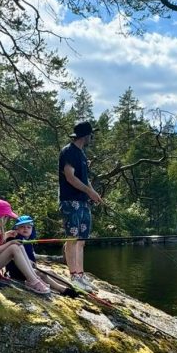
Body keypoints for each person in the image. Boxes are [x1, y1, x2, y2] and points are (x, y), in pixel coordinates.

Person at [58, 121, 102, 291]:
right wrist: (88, 191)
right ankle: (74, 276)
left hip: (83, 203)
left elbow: (85, 179)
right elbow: (69, 177)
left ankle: (81, 275)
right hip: (70, 202)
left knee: (81, 241)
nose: (92, 137)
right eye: (91, 134)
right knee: (72, 238)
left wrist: (93, 193)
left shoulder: (82, 154)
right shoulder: (68, 151)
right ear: (85, 136)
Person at [5, 215, 76, 296]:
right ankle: (62, 289)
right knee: (41, 274)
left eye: (29, 227)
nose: (26, 229)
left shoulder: (29, 240)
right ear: (16, 229)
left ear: (32, 229)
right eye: (22, 227)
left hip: (30, 268)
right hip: (18, 271)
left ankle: (70, 285)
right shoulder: (15, 239)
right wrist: (28, 261)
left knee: (50, 272)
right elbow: (14, 255)